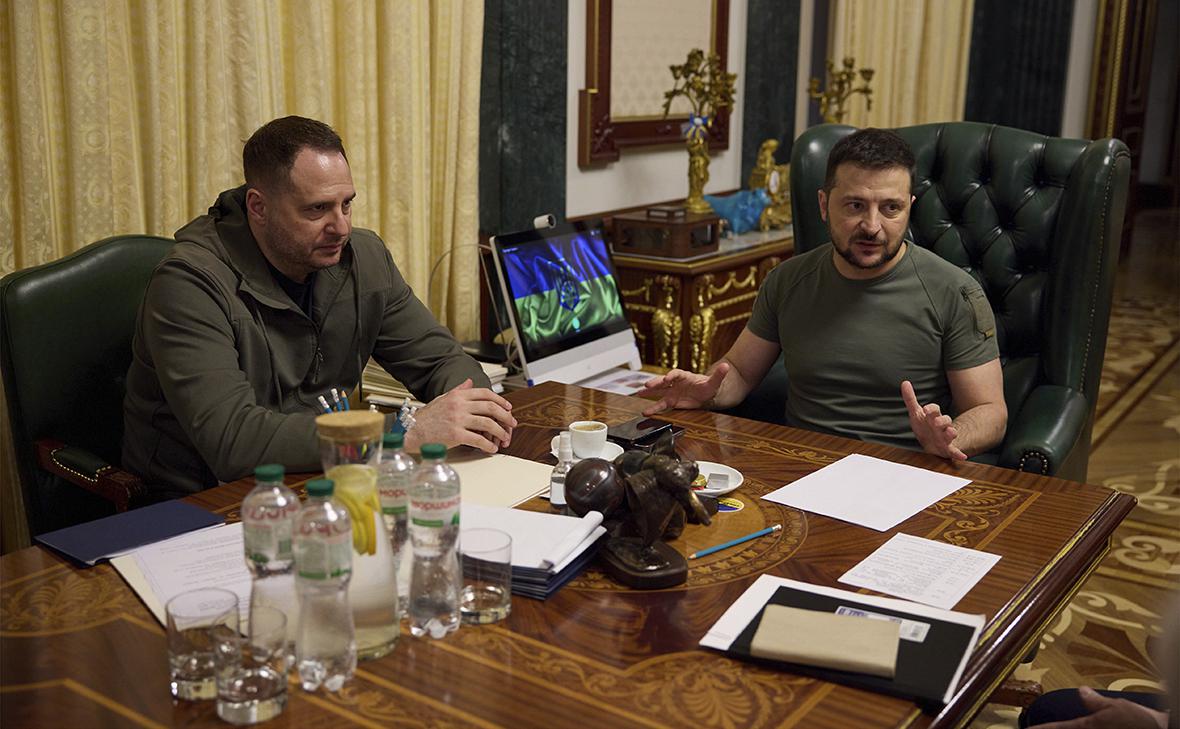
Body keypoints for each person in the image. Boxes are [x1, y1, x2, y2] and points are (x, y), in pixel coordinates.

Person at [123, 116, 516, 494]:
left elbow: (442, 361)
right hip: (202, 502)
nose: (341, 227)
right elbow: (233, 440)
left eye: (346, 204)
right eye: (317, 209)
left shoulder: (364, 257)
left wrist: (471, 412)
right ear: (258, 207)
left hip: (326, 476)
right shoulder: (188, 283)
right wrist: (404, 432)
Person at [639, 128, 1006, 459]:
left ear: (909, 208)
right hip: (799, 464)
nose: (872, 226)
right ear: (823, 204)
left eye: (890, 208)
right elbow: (738, 372)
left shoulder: (955, 292)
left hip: (904, 470)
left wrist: (952, 436)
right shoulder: (787, 280)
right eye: (855, 205)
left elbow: (990, 411)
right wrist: (709, 391)